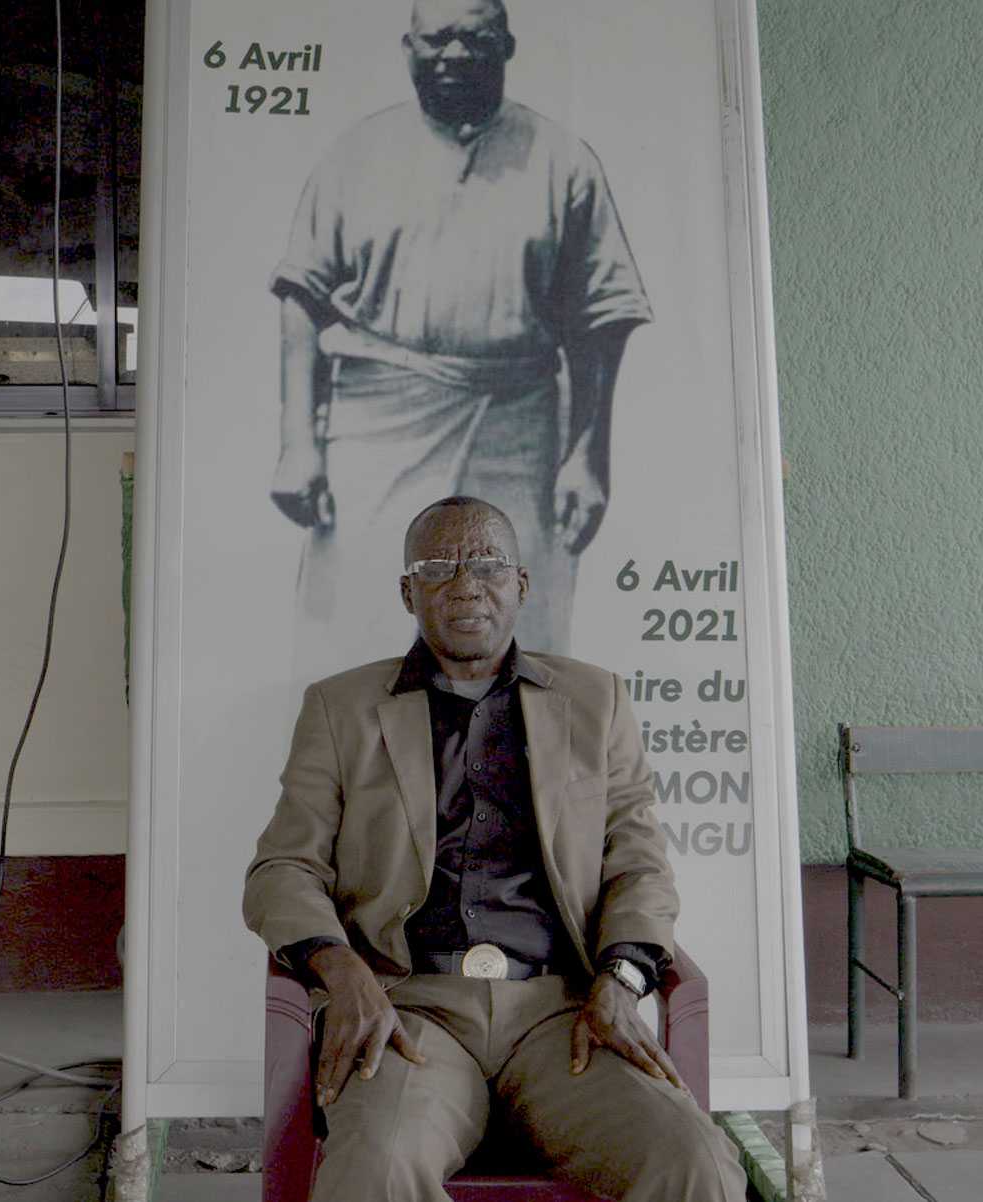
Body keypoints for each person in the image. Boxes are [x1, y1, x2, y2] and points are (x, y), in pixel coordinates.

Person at [243, 497, 745, 1201]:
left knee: (697, 1162)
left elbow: (639, 864)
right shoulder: (342, 709)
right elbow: (283, 868)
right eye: (438, 568)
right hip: (412, 1010)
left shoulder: (595, 702)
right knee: (373, 1175)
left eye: (487, 564)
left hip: (563, 1016)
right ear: (407, 591)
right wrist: (341, 968)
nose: (466, 584)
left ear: (522, 584)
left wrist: (623, 978)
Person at [268, 0, 652, 681]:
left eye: (473, 38)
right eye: (436, 38)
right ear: (408, 47)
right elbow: (301, 298)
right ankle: (367, 784)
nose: (452, 54)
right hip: (376, 420)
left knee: (521, 633)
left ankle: (508, 780)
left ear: (506, 46)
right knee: (357, 630)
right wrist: (298, 443)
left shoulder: (562, 161)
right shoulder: (357, 154)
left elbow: (601, 318)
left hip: (518, 420)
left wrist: (590, 456)